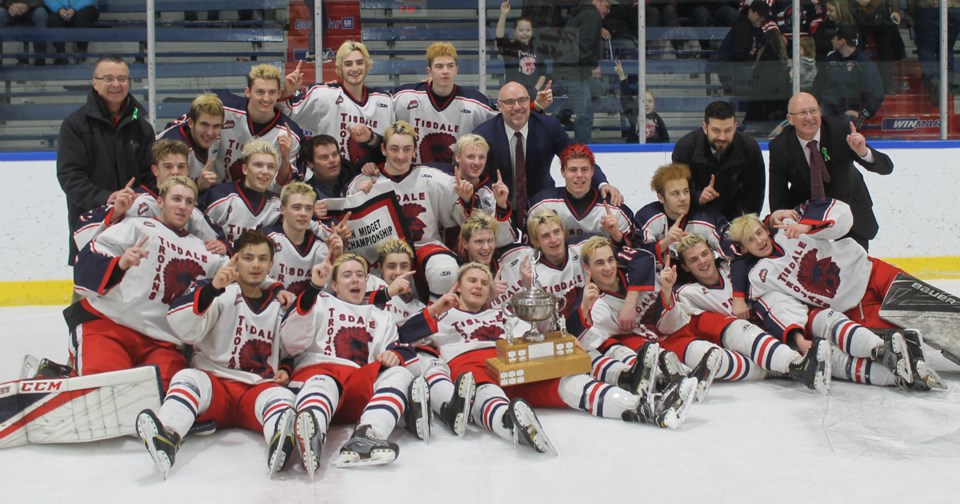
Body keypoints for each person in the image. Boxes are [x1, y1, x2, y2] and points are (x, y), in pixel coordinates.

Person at [416, 262, 698, 449]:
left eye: (483, 282)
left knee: (569, 382)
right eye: (471, 281)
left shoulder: (500, 314)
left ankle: (647, 407)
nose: (477, 286)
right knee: (486, 391)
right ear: (458, 287)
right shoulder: (442, 313)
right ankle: (512, 425)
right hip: (472, 363)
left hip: (514, 361)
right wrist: (432, 310)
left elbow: (538, 334)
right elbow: (403, 337)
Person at [726, 200, 944, 391]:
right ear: (743, 249)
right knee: (902, 340)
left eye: (759, 233)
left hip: (870, 271)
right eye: (751, 240)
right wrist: (797, 337)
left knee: (931, 308)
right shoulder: (760, 277)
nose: (759, 241)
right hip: (853, 306)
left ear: (766, 228)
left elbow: (842, 214)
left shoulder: (789, 226)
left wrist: (808, 225)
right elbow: (780, 307)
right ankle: (913, 373)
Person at [136, 230, 298, 479]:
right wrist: (212, 289)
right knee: (187, 378)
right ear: (235, 260)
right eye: (248, 258)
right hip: (215, 385)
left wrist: (286, 369)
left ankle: (280, 439)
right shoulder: (218, 293)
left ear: (271, 264)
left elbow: (291, 347)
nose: (255, 265)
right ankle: (167, 435)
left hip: (256, 389)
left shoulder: (281, 304)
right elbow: (184, 328)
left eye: (262, 259)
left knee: (281, 398)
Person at [67, 176, 234, 390]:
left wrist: (272, 288)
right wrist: (120, 264)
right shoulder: (136, 226)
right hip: (110, 326)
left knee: (166, 397)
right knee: (102, 390)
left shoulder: (206, 252)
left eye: (189, 201)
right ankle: (54, 375)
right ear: (160, 202)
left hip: (163, 344)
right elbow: (88, 260)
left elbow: (239, 277)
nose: (182, 206)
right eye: (176, 199)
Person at [281, 254, 432, 473]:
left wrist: (395, 355)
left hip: (356, 384)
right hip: (320, 374)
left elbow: (404, 351)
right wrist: (313, 288)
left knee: (400, 373)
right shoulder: (320, 302)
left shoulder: (381, 316)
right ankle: (312, 430)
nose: (355, 280)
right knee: (324, 383)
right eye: (347, 275)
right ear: (334, 284)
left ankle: (367, 435)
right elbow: (290, 339)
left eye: (360, 275)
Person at [656, 233, 830, 392]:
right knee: (735, 329)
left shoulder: (733, 268)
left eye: (704, 254)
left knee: (827, 355)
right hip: (742, 344)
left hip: (779, 329)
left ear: (712, 252)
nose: (702, 261)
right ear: (685, 267)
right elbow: (671, 324)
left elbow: (749, 240)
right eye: (693, 260)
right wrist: (666, 289)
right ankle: (794, 366)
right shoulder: (687, 292)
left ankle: (838, 367)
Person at [344, 120, 474, 299]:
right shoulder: (364, 183)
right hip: (381, 255)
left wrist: (466, 199)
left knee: (445, 271)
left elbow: (465, 220)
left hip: (424, 247)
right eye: (394, 149)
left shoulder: (432, 178)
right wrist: (361, 198)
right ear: (383, 150)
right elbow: (351, 232)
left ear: (414, 151)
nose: (400, 155)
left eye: (406, 149)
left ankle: (439, 320)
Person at [472, 81, 622, 222]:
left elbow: (578, 156)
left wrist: (602, 183)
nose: (517, 107)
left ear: (528, 100)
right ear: (499, 106)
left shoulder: (549, 127)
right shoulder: (484, 135)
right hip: (498, 208)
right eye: (510, 102)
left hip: (543, 205)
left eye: (522, 100)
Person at [57, 56, 155, 265]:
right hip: (91, 226)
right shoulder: (74, 125)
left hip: (134, 227)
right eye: (108, 78)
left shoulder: (142, 128)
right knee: (87, 293)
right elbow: (71, 177)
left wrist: (137, 200)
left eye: (122, 78)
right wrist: (107, 197)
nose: (116, 84)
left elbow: (150, 177)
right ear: (95, 83)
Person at [768, 92, 892, 250]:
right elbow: (778, 196)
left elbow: (887, 167)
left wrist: (863, 152)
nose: (809, 117)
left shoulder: (840, 130)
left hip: (850, 207)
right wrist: (781, 220)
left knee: (854, 267)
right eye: (802, 113)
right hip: (807, 216)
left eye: (813, 111)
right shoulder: (780, 147)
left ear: (820, 112)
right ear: (790, 118)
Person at [72, 139, 228, 254]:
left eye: (181, 166)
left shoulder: (190, 209)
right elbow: (82, 232)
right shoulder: (133, 200)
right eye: (167, 166)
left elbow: (219, 239)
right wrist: (116, 213)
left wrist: (223, 246)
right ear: (155, 170)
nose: (175, 171)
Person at [280, 41, 393, 173]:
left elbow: (390, 144)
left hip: (371, 177)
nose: (355, 68)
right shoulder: (323, 94)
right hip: (331, 179)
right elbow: (287, 111)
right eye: (348, 64)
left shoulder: (385, 100)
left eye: (360, 63)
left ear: (367, 66)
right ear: (339, 69)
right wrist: (286, 93)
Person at [392, 42, 499, 165]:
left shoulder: (476, 102)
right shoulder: (406, 96)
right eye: (439, 66)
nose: (445, 71)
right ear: (429, 71)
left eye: (450, 66)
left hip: (456, 178)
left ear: (457, 70)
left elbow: (501, 119)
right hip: (415, 175)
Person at [671, 100, 766, 222]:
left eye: (728, 130)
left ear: (736, 126)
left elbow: (755, 193)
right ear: (705, 127)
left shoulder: (750, 148)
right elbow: (676, 190)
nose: (722, 137)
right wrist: (698, 197)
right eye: (716, 130)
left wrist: (744, 225)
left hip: (737, 218)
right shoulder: (685, 148)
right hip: (696, 217)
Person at [527, 143, 636, 246]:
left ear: (592, 171)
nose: (579, 175)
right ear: (562, 172)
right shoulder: (541, 205)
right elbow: (530, 247)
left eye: (584, 169)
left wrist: (616, 234)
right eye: (573, 170)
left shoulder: (615, 210)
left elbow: (633, 251)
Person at [214, 64, 304, 187]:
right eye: (260, 92)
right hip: (219, 195)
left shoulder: (290, 134)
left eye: (272, 92)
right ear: (247, 92)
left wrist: (285, 158)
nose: (266, 98)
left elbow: (280, 186)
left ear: (279, 94)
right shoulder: (223, 109)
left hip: (263, 203)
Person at [634, 163, 733, 264]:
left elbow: (734, 250)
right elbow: (637, 256)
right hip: (661, 278)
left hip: (699, 277)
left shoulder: (709, 218)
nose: (683, 198)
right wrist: (666, 241)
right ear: (661, 197)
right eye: (676, 194)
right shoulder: (647, 217)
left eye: (686, 191)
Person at [262, 181, 336, 296]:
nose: (303, 213)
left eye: (308, 208)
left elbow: (329, 293)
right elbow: (249, 275)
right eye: (296, 207)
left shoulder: (321, 247)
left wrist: (337, 256)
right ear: (282, 209)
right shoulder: (266, 239)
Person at [554, 0, 610, 143]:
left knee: (598, 89)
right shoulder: (592, 15)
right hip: (572, 70)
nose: (608, 10)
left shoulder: (582, 14)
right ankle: (582, 149)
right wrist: (593, 65)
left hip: (573, 68)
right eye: (607, 6)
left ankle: (561, 114)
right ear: (596, 2)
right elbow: (585, 44)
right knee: (585, 112)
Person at [810, 24, 884, 123]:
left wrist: (862, 113)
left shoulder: (863, 62)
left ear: (842, 41)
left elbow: (877, 92)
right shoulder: (830, 60)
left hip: (851, 111)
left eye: (834, 38)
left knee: (845, 123)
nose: (832, 40)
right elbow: (817, 86)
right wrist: (812, 106)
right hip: (828, 109)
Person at [156, 93, 225, 192]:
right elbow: (166, 194)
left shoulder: (217, 136)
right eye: (204, 125)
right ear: (191, 123)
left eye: (216, 126)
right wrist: (198, 186)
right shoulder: (171, 144)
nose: (210, 133)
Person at [909, 0, 960, 104]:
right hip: (954, 7)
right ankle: (946, 82)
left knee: (926, 48)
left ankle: (932, 81)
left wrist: (912, 13)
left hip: (928, 7)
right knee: (947, 48)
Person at [852, 0, 905, 95]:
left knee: (885, 53)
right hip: (858, 15)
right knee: (857, 51)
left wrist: (894, 10)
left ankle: (888, 86)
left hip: (881, 16)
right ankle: (856, 85)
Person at [496, 1, 546, 99]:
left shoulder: (537, 50)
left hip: (531, 96)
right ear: (514, 32)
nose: (525, 33)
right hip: (512, 95)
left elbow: (543, 73)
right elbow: (499, 37)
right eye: (521, 30)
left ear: (532, 32)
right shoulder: (510, 48)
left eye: (528, 30)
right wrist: (503, 14)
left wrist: (535, 89)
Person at [717, 1, 769, 97]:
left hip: (741, 68)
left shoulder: (757, 29)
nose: (762, 19)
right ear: (751, 12)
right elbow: (740, 55)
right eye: (760, 15)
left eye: (765, 17)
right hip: (730, 69)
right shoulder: (743, 25)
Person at [614, 60, 669, 144]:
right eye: (643, 101)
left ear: (654, 104)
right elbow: (626, 99)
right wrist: (622, 76)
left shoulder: (657, 119)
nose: (646, 104)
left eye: (650, 101)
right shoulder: (634, 115)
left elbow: (665, 139)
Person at [299, 134, 353, 201]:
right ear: (310, 163)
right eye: (324, 157)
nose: (332, 160)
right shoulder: (303, 196)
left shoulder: (353, 175)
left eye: (335, 154)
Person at [44, 0, 98, 64]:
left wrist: (74, 9)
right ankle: (61, 55)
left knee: (82, 16)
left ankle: (81, 52)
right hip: (60, 10)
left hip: (85, 8)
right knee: (52, 19)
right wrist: (59, 9)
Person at [0, 0, 47, 65]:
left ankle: (40, 58)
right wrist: (11, 5)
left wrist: (27, 5)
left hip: (32, 8)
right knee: (0, 14)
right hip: (11, 8)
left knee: (41, 14)